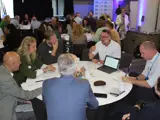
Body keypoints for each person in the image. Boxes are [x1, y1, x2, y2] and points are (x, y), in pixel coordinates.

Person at [43, 53, 98, 120]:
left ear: (59, 67)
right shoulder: (84, 84)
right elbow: (94, 105)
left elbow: (46, 102)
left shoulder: (46, 83)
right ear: (75, 68)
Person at [0, 52, 41, 120]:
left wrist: (23, 100)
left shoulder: (2, 70)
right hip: (8, 114)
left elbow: (10, 92)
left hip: (10, 102)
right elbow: (25, 95)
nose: (20, 63)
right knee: (38, 111)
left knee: (35, 105)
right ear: (12, 64)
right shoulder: (5, 78)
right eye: (19, 61)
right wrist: (44, 87)